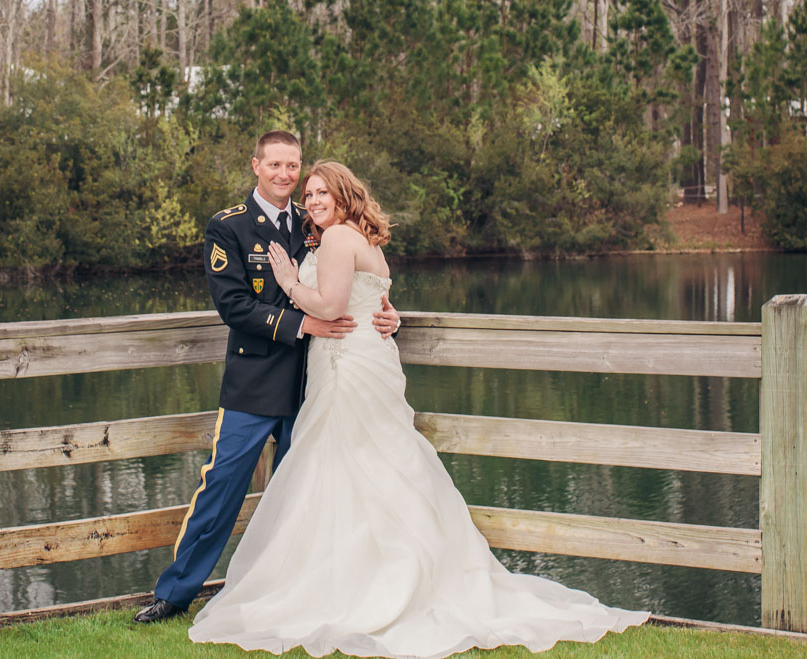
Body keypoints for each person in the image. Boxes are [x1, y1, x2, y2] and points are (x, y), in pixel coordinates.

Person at [187, 161, 648, 658]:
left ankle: (354, 584)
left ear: (344, 196)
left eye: (323, 192)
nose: (314, 200)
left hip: (346, 362)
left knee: (344, 462)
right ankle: (375, 573)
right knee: (371, 462)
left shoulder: (338, 239)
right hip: (359, 356)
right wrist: (387, 315)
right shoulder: (355, 238)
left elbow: (329, 306)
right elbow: (370, 299)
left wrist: (288, 280)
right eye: (310, 193)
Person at [136, 133, 401, 624]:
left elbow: (357, 279)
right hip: (254, 382)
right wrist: (305, 323)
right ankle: (174, 593)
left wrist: (388, 313)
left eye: (293, 166)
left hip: (312, 382)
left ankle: (290, 589)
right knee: (221, 487)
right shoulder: (229, 227)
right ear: (256, 165)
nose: (285, 174)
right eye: (275, 164)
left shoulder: (316, 221)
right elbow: (233, 305)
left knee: (300, 492)